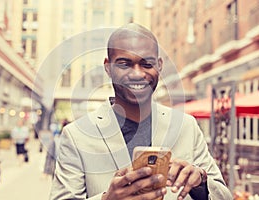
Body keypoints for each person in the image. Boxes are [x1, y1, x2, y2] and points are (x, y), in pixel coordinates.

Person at [50, 23, 232, 200]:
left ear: (159, 66)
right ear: (108, 67)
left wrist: (201, 182)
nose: (137, 74)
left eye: (147, 64)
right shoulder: (76, 136)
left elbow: (225, 196)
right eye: (124, 64)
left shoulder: (186, 126)